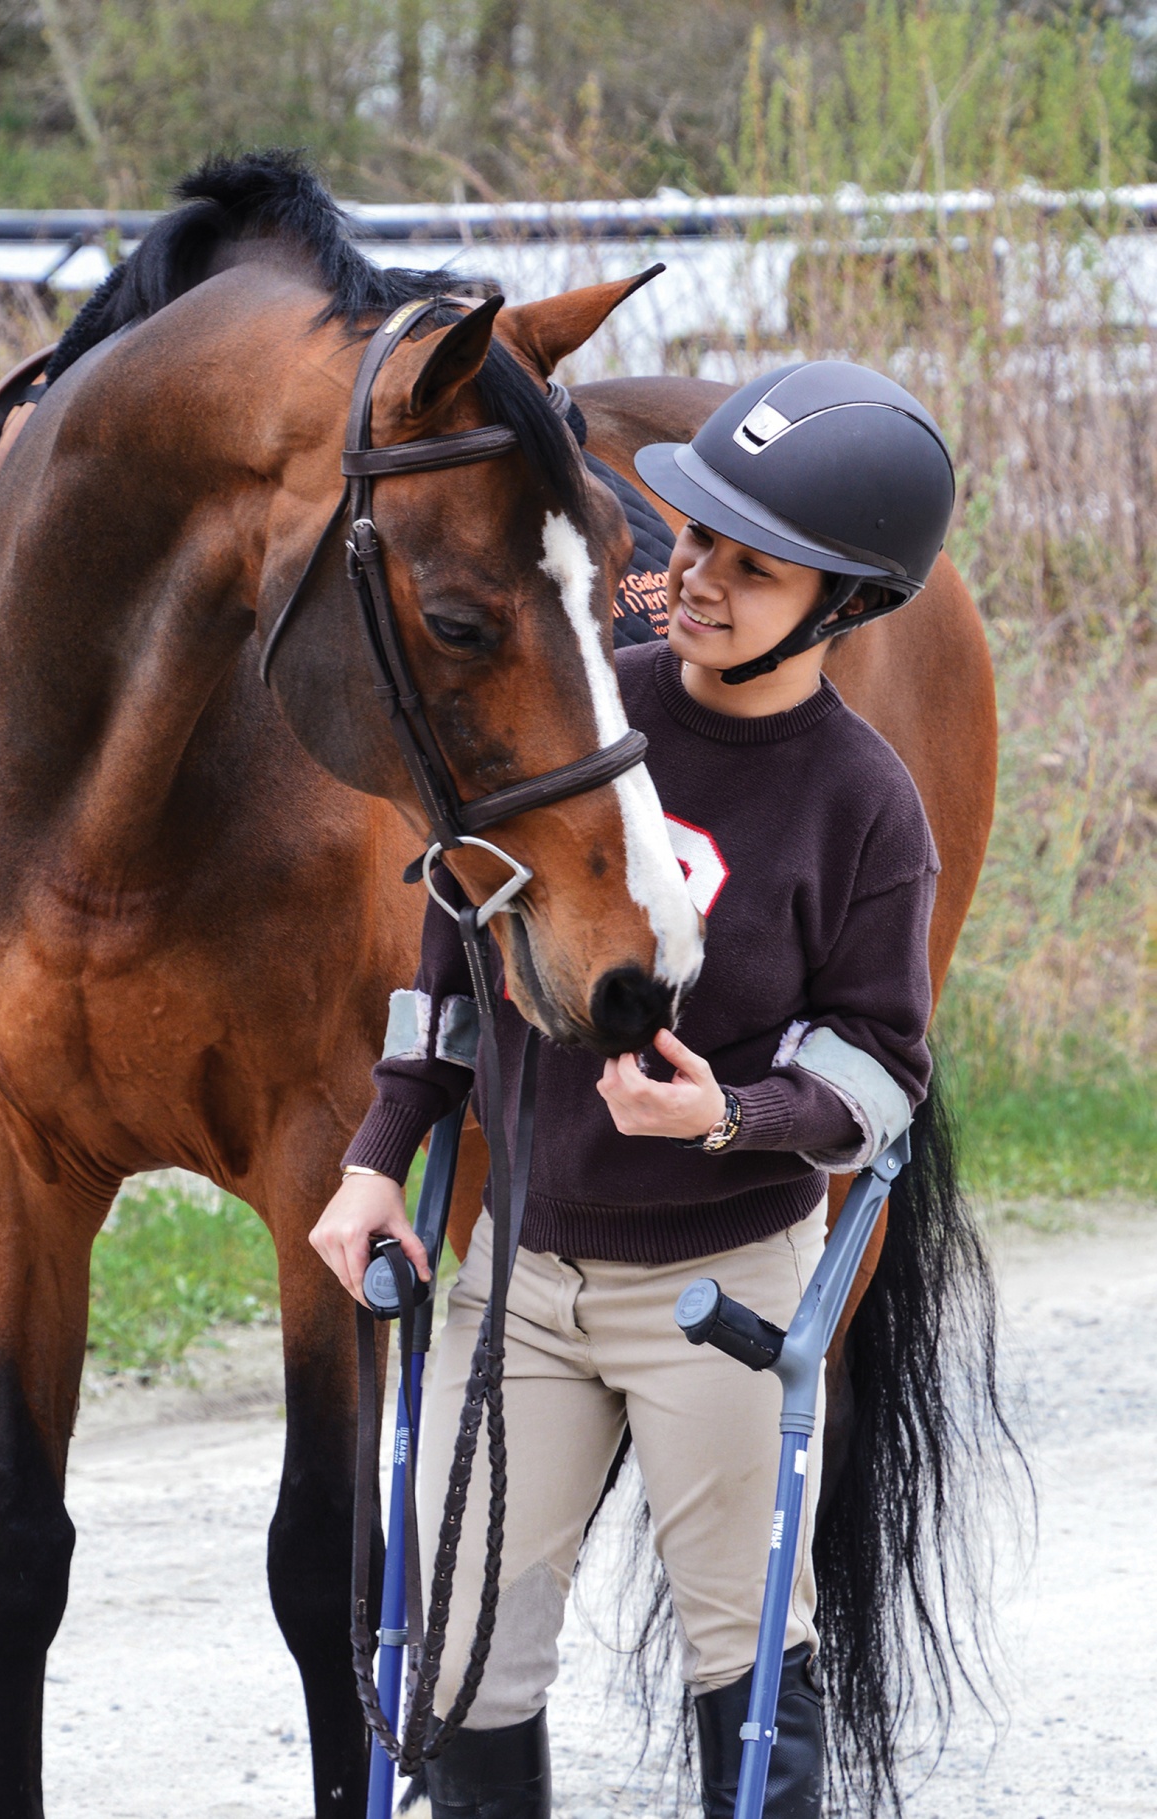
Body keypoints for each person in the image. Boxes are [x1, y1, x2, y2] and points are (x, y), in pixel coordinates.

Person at [309, 361, 955, 1819]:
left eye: (752, 563)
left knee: (746, 1667)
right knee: (460, 1655)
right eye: (695, 540)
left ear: (847, 599)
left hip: (723, 1294)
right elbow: (456, 963)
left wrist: (727, 1116)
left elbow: (882, 1073)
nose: (697, 577)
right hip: (522, 1284)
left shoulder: (864, 805)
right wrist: (374, 1157)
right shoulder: (593, 722)